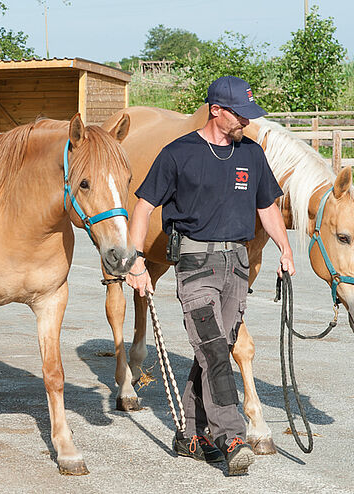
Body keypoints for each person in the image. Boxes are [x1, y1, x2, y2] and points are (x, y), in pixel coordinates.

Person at [125, 76, 295, 476]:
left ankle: (191, 434)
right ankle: (231, 435)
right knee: (216, 349)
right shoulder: (178, 154)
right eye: (240, 115)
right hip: (194, 264)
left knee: (215, 345)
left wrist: (285, 249)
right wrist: (134, 261)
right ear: (216, 111)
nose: (247, 123)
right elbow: (143, 207)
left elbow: (267, 206)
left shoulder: (251, 154)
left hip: (235, 264)